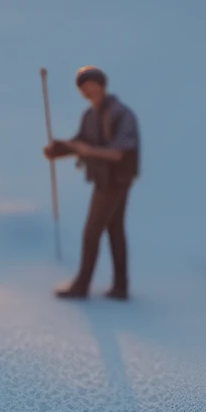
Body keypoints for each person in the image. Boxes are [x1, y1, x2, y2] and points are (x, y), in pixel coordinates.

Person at [45, 68, 139, 300]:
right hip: (103, 178)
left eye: (90, 84)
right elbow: (80, 142)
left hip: (115, 180)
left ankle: (82, 285)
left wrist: (89, 151)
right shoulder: (90, 116)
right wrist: (59, 149)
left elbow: (118, 153)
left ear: (102, 85)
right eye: (82, 87)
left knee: (92, 231)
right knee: (114, 230)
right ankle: (121, 287)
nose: (86, 90)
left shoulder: (121, 114)